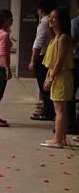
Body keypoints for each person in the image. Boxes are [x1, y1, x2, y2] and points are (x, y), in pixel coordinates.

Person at [41, 8, 74, 148]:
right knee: (61, 109)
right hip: (57, 75)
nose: (51, 20)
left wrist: (50, 78)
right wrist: (48, 76)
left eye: (54, 18)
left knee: (59, 109)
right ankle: (62, 137)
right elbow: (51, 62)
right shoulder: (55, 38)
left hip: (62, 76)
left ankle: (58, 139)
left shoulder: (63, 38)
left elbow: (59, 62)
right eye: (50, 17)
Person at [29, 0, 56, 121]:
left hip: (44, 57)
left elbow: (37, 45)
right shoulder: (52, 21)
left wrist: (32, 61)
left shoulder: (44, 23)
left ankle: (48, 112)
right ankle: (48, 108)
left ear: (41, 10)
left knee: (44, 85)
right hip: (51, 56)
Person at [69, 0, 79, 134]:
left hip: (76, 60)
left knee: (70, 94)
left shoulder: (76, 22)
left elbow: (72, 41)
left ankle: (72, 123)